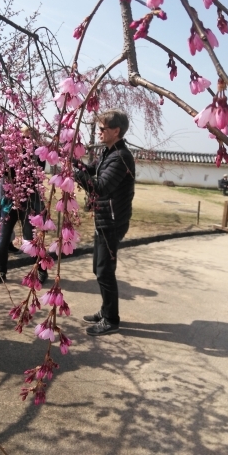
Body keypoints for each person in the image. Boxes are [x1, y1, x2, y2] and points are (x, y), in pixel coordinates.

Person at [73, 109, 135, 336]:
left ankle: (111, 319)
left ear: (116, 131)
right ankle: (105, 309)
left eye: (103, 129)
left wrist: (75, 174)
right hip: (104, 219)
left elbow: (99, 187)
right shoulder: (109, 153)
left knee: (105, 271)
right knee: (98, 269)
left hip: (112, 221)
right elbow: (92, 170)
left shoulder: (121, 157)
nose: (99, 132)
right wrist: (74, 161)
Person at [0, 127, 47, 285]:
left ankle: (41, 269)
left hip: (29, 200)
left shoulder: (38, 154)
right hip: (10, 201)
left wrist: (25, 155)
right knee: (3, 239)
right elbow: (5, 174)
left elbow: (35, 172)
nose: (24, 141)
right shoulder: (11, 153)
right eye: (21, 137)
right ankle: (1, 271)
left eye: (27, 138)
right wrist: (1, 166)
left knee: (30, 239)